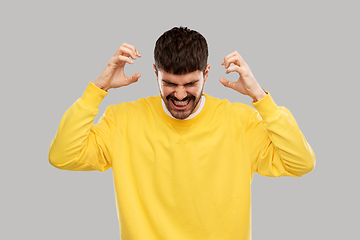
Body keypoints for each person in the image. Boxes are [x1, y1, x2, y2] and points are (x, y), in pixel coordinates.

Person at [49, 26, 315, 240]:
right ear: (156, 73)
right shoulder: (123, 119)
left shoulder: (240, 121)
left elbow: (301, 163)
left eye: (190, 83)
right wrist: (97, 89)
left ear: (206, 74)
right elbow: (63, 156)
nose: (179, 94)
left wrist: (260, 98)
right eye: (169, 83)